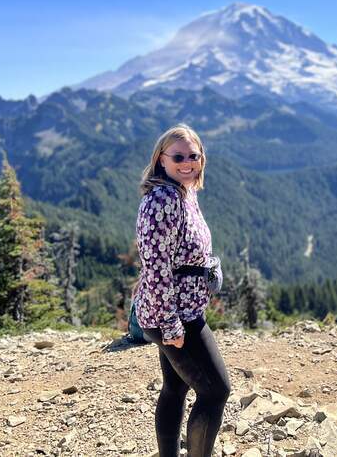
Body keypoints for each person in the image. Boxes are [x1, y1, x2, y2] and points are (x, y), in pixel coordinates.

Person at [131, 123, 231, 457]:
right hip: (176, 316)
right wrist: (170, 323)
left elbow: (184, 250)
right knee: (216, 392)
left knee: (175, 387)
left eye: (193, 155)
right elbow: (155, 267)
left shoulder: (183, 192)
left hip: (178, 310)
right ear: (161, 159)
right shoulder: (162, 200)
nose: (187, 162)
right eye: (178, 157)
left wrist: (209, 265)